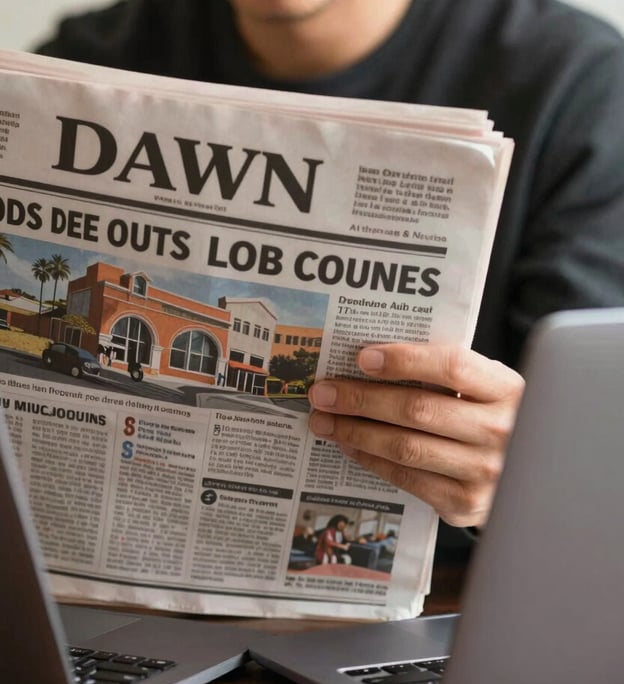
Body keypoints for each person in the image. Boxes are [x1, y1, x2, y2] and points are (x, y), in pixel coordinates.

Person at [37, 0, 624, 552]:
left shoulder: (580, 84)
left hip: (445, 609)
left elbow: (594, 468)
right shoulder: (82, 64)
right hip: (103, 601)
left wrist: (534, 484)